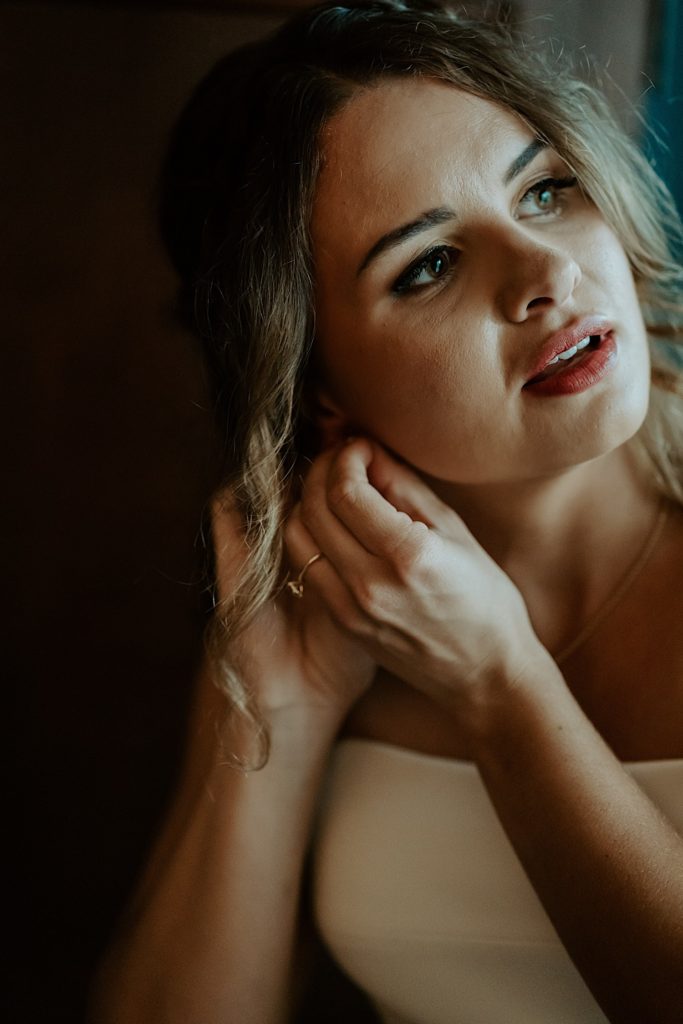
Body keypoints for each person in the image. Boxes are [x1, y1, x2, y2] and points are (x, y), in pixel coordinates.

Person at [90, 2, 683, 1022]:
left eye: (544, 189)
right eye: (428, 265)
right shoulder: (321, 599)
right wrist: (279, 709)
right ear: (317, 388)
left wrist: (500, 689)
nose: (547, 274)